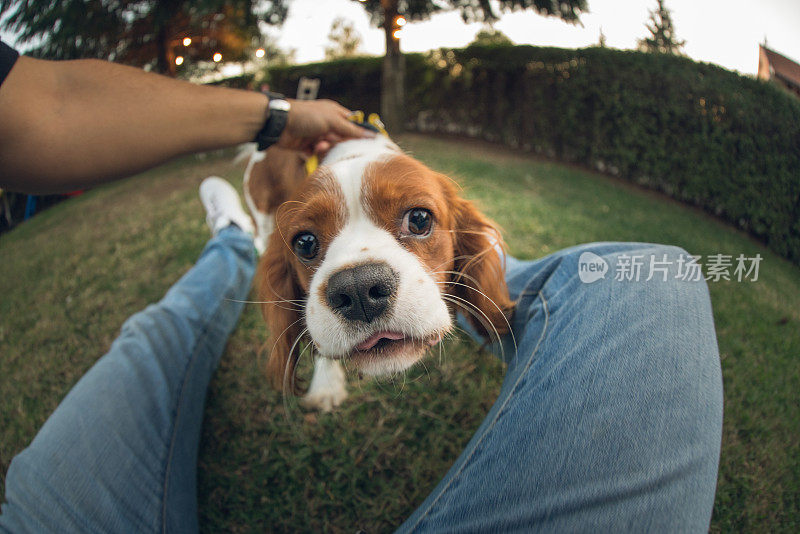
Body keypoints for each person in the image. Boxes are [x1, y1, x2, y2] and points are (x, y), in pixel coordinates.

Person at [0, 40, 723, 533]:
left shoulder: (456, 222)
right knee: (262, 241)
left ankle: (243, 247)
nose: (354, 281)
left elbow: (46, 104)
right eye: (311, 248)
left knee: (662, 277)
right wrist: (307, 328)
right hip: (280, 172)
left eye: (415, 218)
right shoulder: (288, 196)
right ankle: (240, 237)